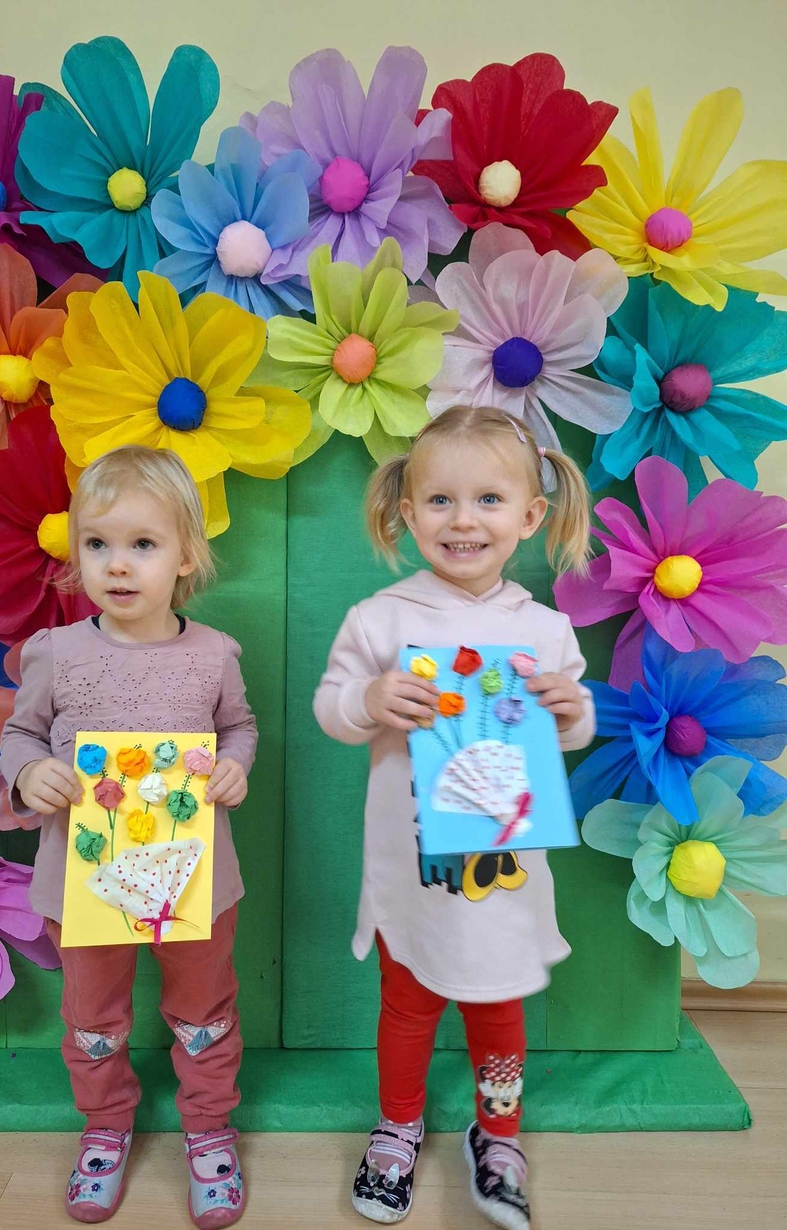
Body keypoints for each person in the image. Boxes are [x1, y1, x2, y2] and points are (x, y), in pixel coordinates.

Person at [313, 406, 596, 1229]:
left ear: (529, 517)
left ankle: (497, 1135)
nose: (462, 520)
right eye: (440, 500)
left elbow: (572, 728)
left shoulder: (544, 630)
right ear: (407, 513)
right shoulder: (381, 619)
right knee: (406, 1004)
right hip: (410, 873)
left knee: (498, 1005)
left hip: (505, 877)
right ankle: (397, 1127)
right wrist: (368, 699)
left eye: (487, 501)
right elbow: (332, 709)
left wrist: (570, 709)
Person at [0, 446, 256, 1227]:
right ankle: (105, 1125)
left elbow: (238, 729)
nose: (117, 564)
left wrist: (234, 769)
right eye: (97, 543)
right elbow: (19, 733)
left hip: (194, 882)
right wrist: (29, 772)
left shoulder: (213, 655)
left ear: (185, 556)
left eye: (142, 543)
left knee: (203, 1008)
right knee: (92, 1015)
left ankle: (208, 1127)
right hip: (82, 884)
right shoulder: (56, 653)